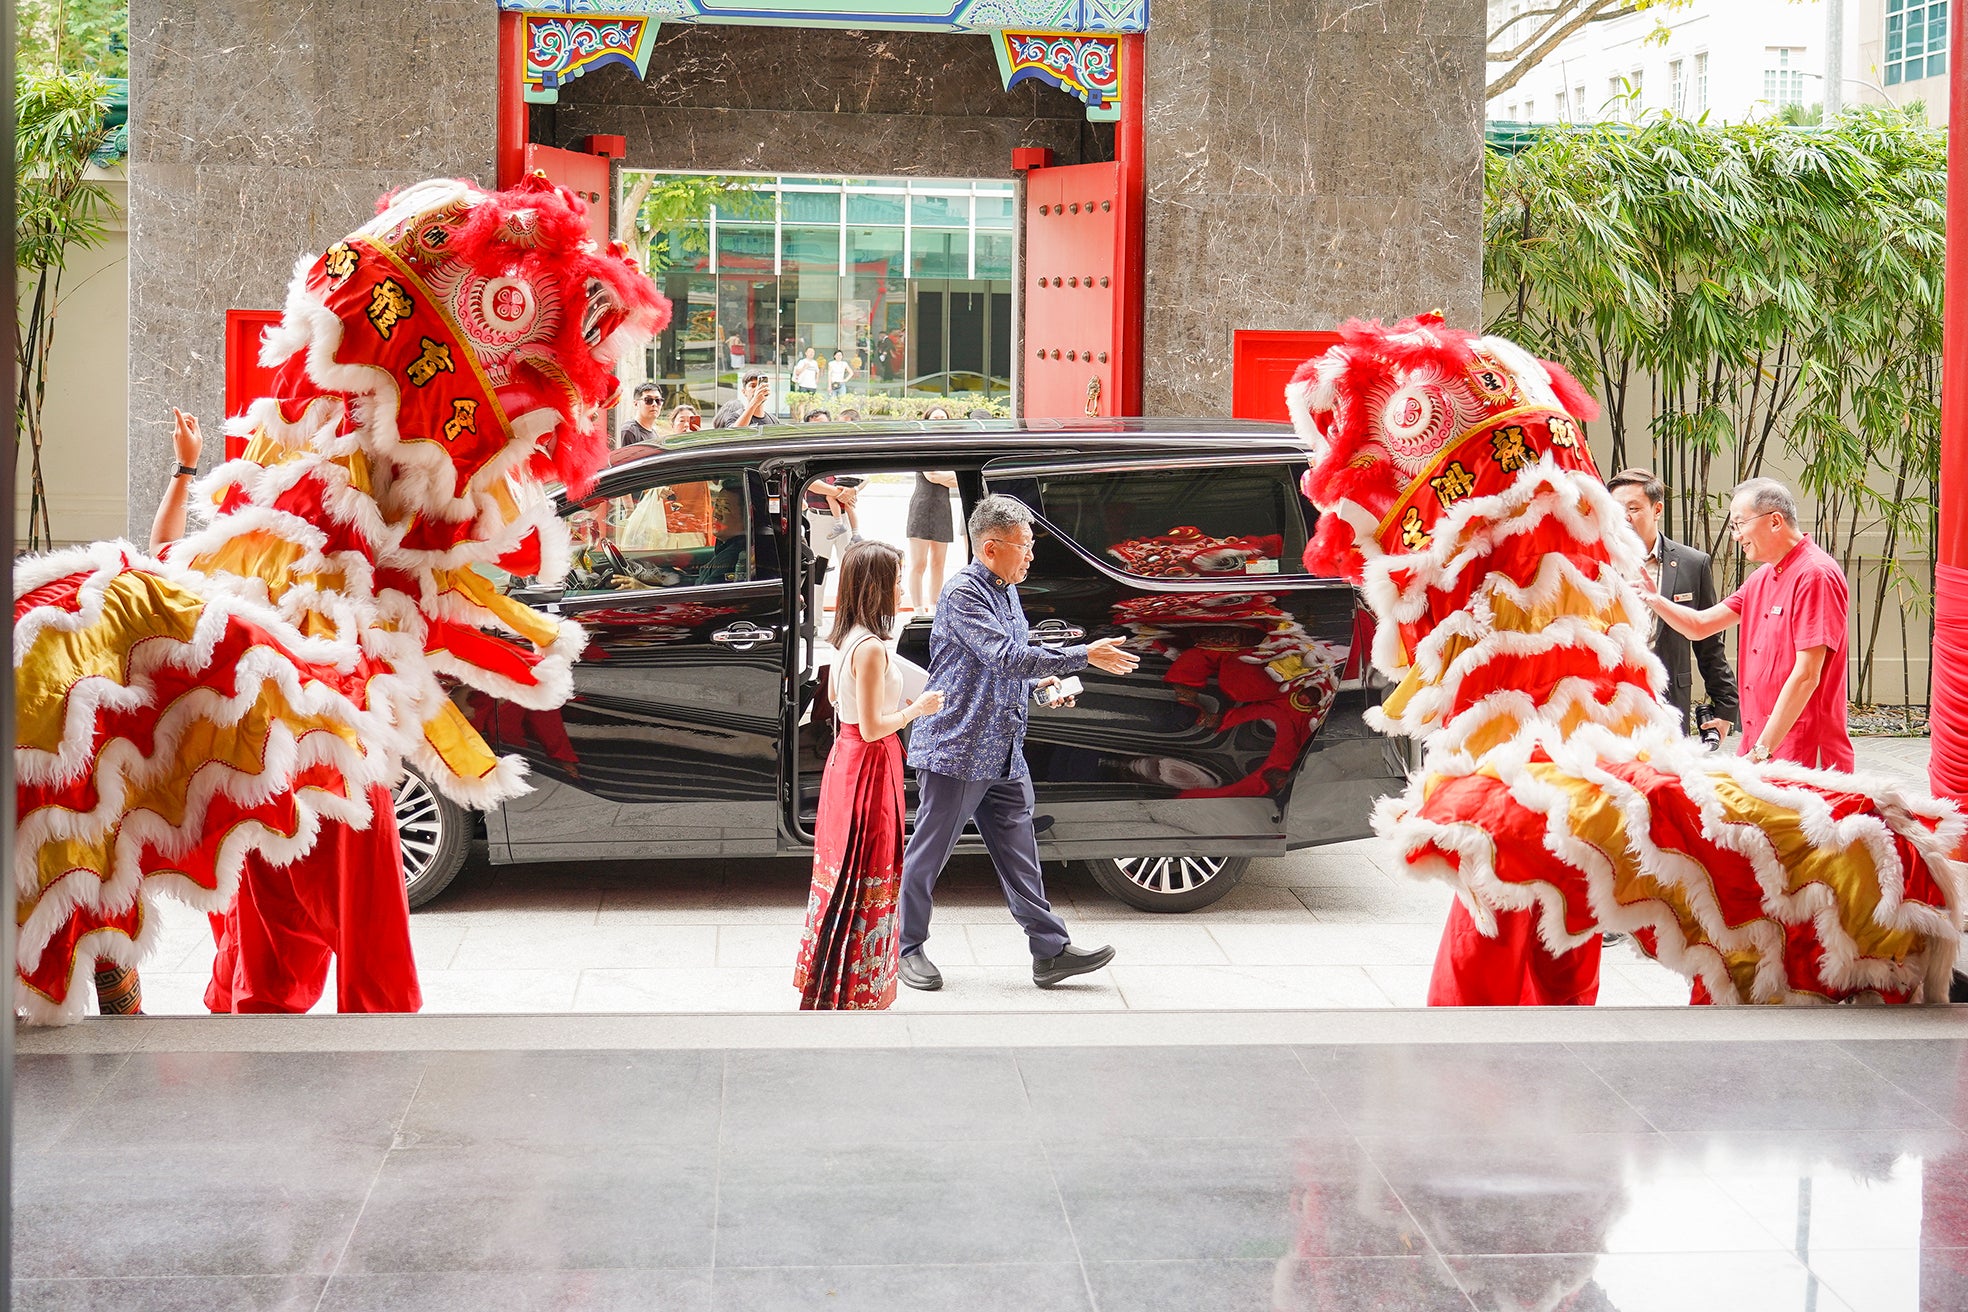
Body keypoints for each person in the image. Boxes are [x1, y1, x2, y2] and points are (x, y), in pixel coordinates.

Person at [897, 494, 1140, 991]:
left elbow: (1009, 665)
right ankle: (906, 948)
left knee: (1020, 856)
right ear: (990, 548)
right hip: (959, 749)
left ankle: (1050, 951)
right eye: (1024, 545)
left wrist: (1041, 684)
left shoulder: (1005, 589)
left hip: (1004, 748)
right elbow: (1005, 656)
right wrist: (1083, 655)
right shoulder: (964, 593)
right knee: (927, 855)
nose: (1031, 554)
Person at [795, 541, 945, 1009]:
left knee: (845, 870)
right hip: (871, 764)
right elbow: (873, 726)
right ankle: (859, 985)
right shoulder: (873, 649)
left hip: (847, 761)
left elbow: (842, 706)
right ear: (876, 586)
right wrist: (917, 709)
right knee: (871, 867)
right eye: (896, 580)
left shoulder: (848, 639)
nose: (901, 588)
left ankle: (837, 978)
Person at [1639, 476, 1854, 770]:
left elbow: (1806, 675)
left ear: (1775, 521)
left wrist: (1762, 750)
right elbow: (1700, 626)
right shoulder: (1761, 577)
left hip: (1803, 750)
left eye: (1739, 524)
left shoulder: (1815, 574)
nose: (1736, 536)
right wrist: (1655, 600)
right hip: (1759, 746)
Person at [1605, 468, 1739, 740]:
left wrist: (1725, 707)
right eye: (1617, 510)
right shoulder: (1595, 562)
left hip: (1668, 696)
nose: (1625, 517)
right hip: (1608, 694)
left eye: (1633, 508)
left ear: (1657, 510)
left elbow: (1709, 642)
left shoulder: (1692, 564)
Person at [907, 406, 959, 618]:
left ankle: (935, 608)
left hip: (942, 507)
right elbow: (933, 476)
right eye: (935, 418)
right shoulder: (922, 443)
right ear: (926, 420)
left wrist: (951, 478)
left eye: (943, 418)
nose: (939, 421)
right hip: (921, 506)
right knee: (918, 563)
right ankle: (918, 610)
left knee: (939, 563)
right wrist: (952, 477)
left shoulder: (950, 446)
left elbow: (957, 479)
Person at [712, 369, 777, 429]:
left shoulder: (773, 420)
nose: (757, 389)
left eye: (760, 386)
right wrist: (755, 402)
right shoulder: (735, 417)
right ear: (744, 392)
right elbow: (736, 434)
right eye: (753, 386)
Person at [618, 383, 664, 447]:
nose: (654, 404)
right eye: (648, 400)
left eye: (658, 400)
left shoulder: (654, 433)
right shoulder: (628, 431)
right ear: (636, 404)